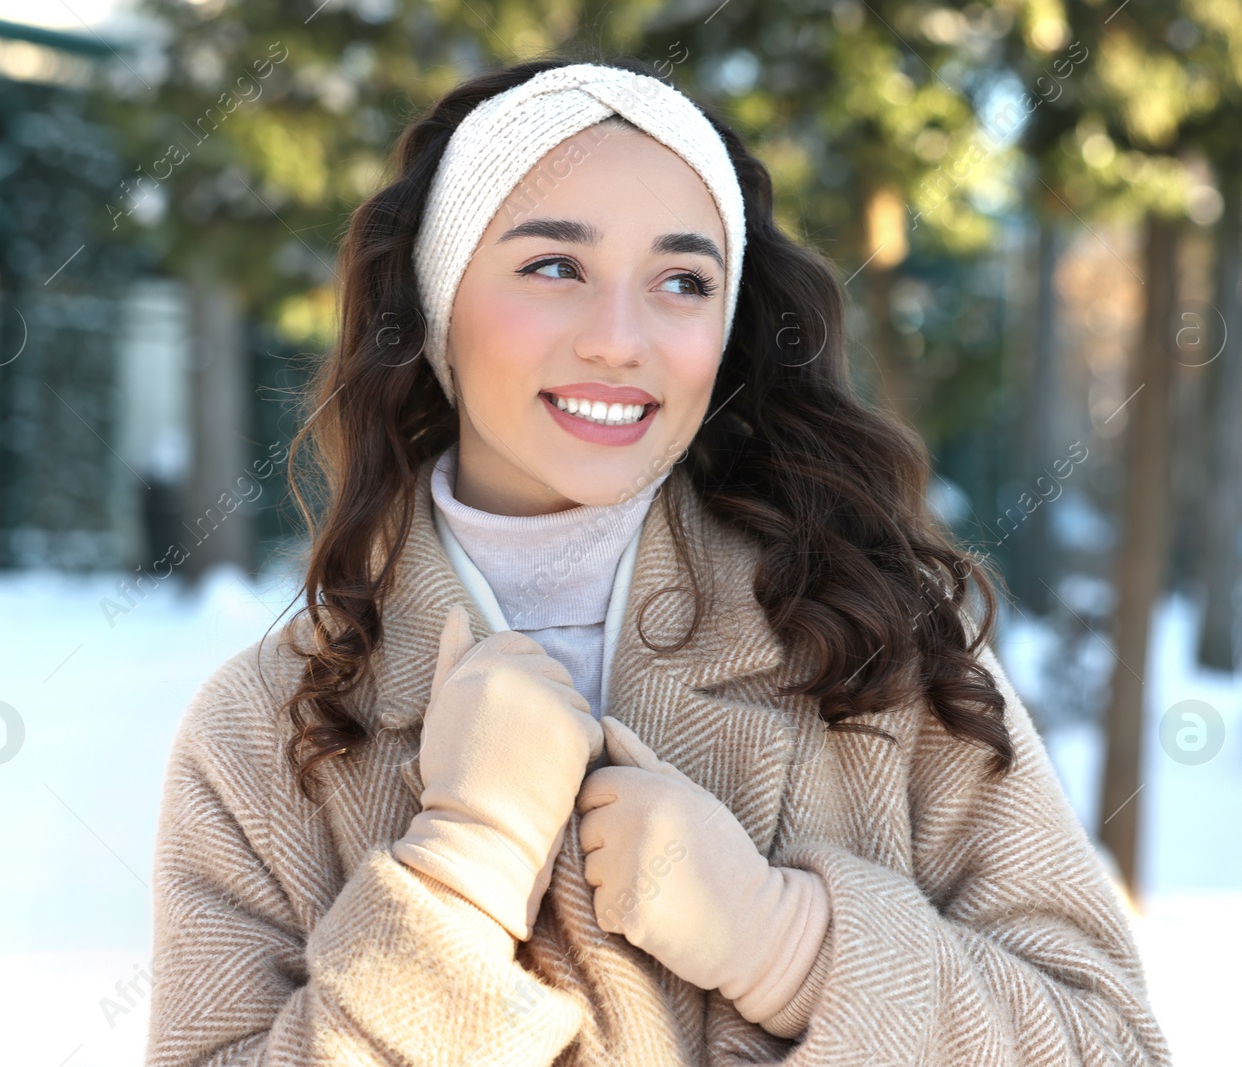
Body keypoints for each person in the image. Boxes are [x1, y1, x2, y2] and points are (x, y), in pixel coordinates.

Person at [144, 56, 1172, 1067]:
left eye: (682, 281)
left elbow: (1114, 1047)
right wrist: (459, 873)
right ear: (434, 299)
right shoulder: (266, 731)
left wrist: (791, 945)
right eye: (554, 265)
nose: (620, 339)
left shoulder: (877, 646)